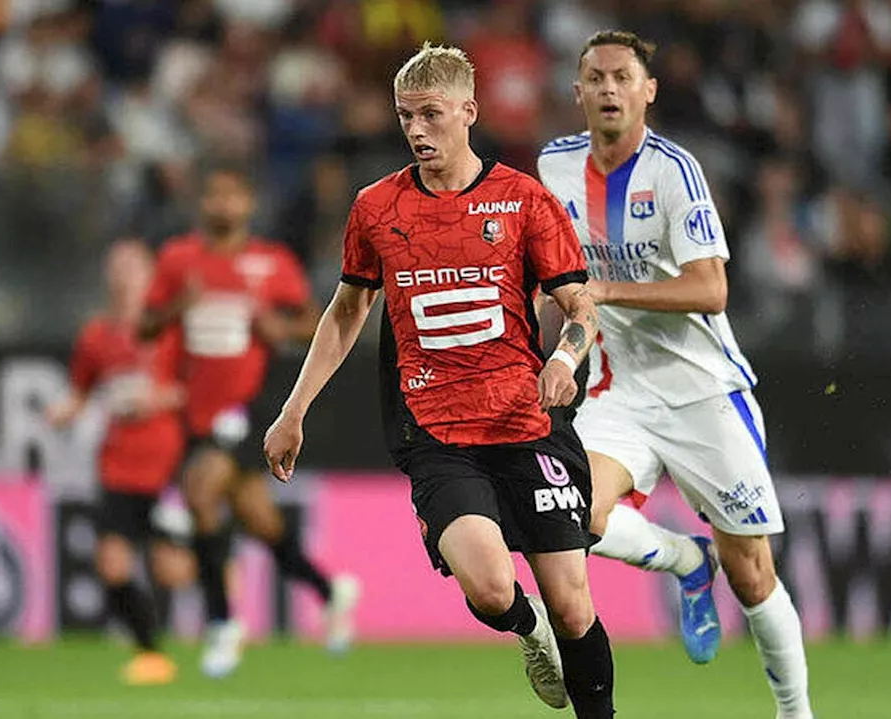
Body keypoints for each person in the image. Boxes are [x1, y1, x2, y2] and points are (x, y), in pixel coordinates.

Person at [264, 43, 616, 718]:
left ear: (468, 112)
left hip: (527, 421)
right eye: (406, 117)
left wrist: (564, 359)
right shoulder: (377, 208)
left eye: (431, 114)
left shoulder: (523, 200)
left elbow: (579, 306)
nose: (418, 130)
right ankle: (525, 627)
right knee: (489, 589)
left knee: (574, 605)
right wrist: (294, 409)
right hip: (435, 429)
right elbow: (346, 311)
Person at [537, 31, 814, 717]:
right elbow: (553, 277)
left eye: (622, 77)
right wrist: (561, 343)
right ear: (576, 92)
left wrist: (601, 291)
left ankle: (795, 711)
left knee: (752, 575)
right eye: (595, 77)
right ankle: (686, 561)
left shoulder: (674, 172)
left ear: (647, 91)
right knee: (574, 516)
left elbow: (710, 288)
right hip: (617, 390)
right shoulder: (553, 166)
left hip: (701, 393)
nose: (608, 89)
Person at [140, 165, 360, 678]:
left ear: (247, 204)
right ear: (203, 204)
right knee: (261, 523)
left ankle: (221, 624)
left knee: (199, 491)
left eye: (231, 195)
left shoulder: (271, 263)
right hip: (198, 413)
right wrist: (178, 306)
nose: (222, 205)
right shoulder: (178, 260)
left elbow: (315, 323)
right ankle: (332, 593)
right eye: (213, 195)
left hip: (250, 406)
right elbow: (147, 327)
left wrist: (277, 326)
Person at [48, 239, 194, 685]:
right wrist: (65, 410)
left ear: (151, 275)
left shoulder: (172, 331)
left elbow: (196, 388)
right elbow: (81, 389)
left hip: (166, 461)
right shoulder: (95, 336)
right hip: (116, 462)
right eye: (116, 266)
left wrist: (160, 397)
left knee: (173, 570)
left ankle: (217, 566)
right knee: (111, 562)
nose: (123, 274)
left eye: (132, 265)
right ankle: (150, 654)